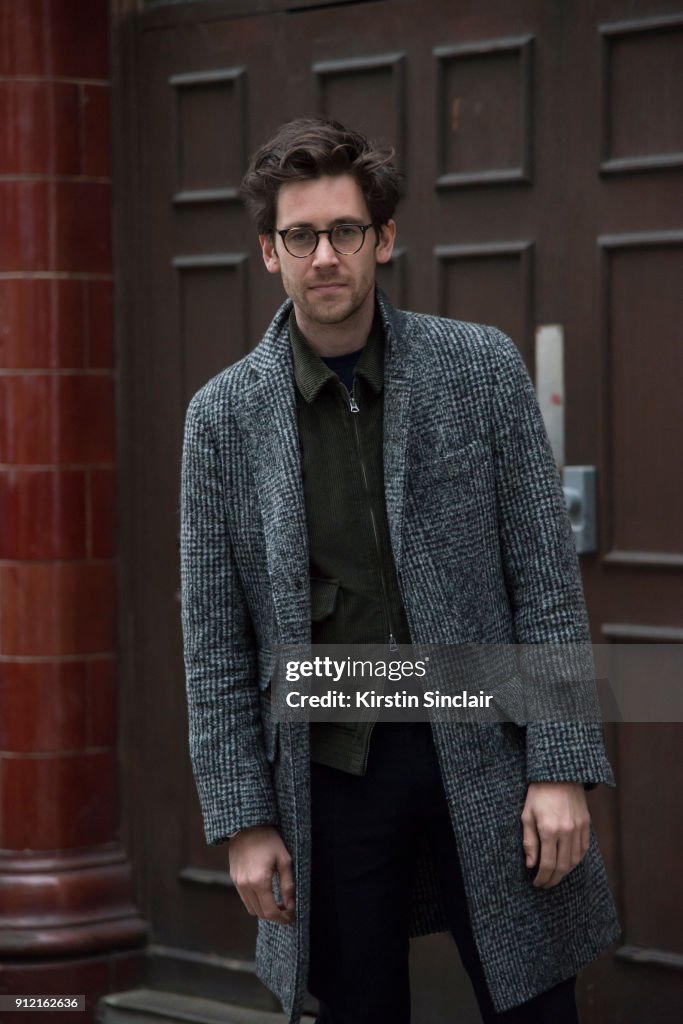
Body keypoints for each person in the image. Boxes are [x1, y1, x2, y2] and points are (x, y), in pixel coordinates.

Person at [180, 117, 620, 1024]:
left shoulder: (481, 368)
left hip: (489, 749)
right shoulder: (220, 419)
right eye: (299, 236)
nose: (324, 255)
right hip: (332, 771)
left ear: (383, 237)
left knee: (538, 1004)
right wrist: (244, 819)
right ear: (269, 251)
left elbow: (542, 578)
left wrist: (560, 765)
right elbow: (215, 637)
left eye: (344, 230)